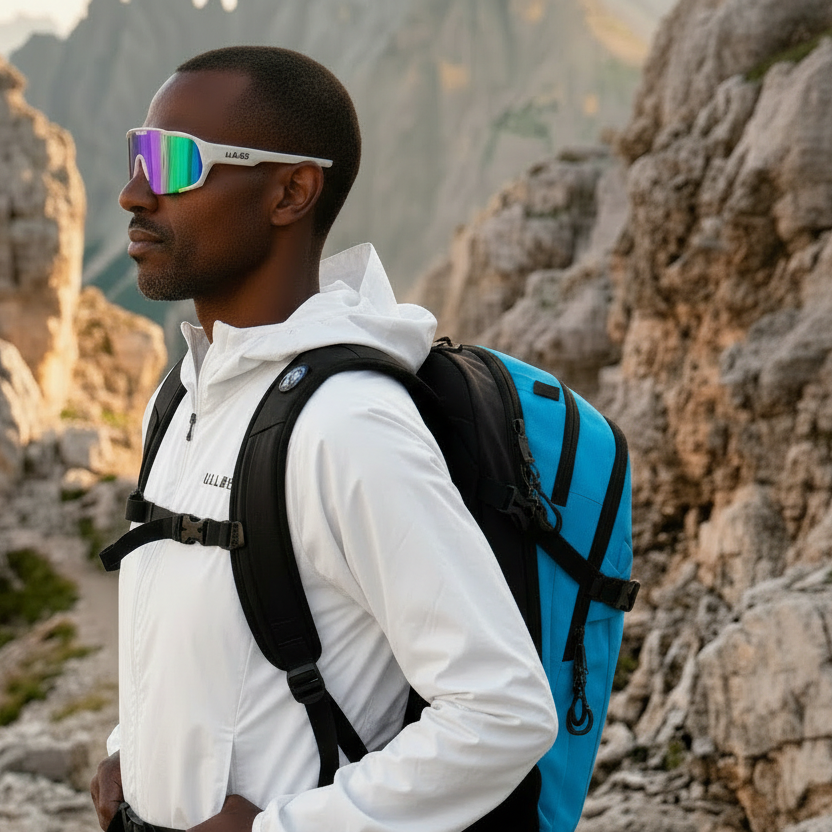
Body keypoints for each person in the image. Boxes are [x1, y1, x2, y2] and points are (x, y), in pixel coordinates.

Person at [89, 45, 557, 832]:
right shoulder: (180, 397)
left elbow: (503, 710)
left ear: (291, 192)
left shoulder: (347, 425)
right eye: (138, 152)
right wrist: (132, 749)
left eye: (172, 161)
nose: (135, 191)